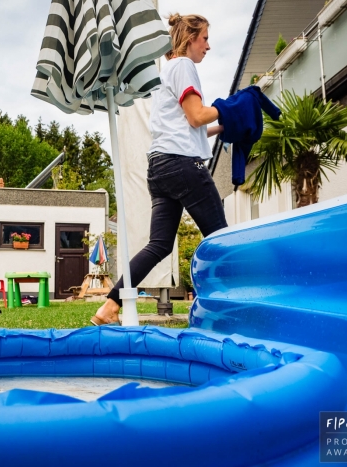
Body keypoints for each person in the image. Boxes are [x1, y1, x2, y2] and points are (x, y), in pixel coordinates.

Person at [91, 13, 227, 326]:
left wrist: (221, 126)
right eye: (204, 38)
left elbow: (187, 127)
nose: (208, 46)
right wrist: (231, 106)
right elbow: (195, 116)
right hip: (181, 165)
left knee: (159, 245)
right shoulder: (183, 66)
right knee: (221, 239)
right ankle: (226, 309)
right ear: (190, 38)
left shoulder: (167, 72)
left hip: (161, 165)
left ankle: (110, 306)